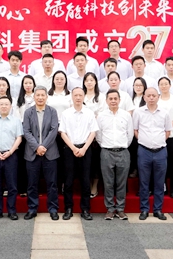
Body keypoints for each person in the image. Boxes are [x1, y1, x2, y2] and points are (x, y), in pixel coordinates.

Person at [58, 88, 99, 221]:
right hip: (69, 149)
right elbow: (62, 132)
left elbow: (93, 132)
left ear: (84, 96)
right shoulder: (66, 113)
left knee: (85, 180)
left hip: (85, 149)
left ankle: (85, 209)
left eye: (80, 95)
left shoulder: (89, 113)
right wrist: (73, 148)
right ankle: (68, 208)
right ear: (72, 96)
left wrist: (84, 148)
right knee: (68, 181)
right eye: (75, 95)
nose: (78, 97)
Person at [133, 87, 172, 221]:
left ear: (158, 97)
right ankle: (144, 209)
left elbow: (167, 131)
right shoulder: (138, 112)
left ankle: (157, 209)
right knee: (144, 182)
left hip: (160, 151)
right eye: (148, 95)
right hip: (144, 151)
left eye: (153, 95)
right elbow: (135, 130)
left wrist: (158, 141)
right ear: (144, 97)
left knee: (159, 182)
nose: (151, 98)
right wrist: (144, 141)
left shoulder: (164, 113)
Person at [22, 86, 60, 220]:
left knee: (52, 183)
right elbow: (26, 131)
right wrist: (37, 147)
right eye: (37, 95)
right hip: (32, 153)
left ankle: (53, 209)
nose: (40, 97)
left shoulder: (52, 111)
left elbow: (54, 130)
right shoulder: (28, 112)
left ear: (46, 97)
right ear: (34, 97)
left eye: (42, 95)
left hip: (50, 153)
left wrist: (43, 146)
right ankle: (32, 209)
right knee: (32, 183)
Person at [96, 89, 134, 220]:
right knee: (108, 182)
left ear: (119, 100)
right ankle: (110, 209)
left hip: (123, 152)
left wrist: (122, 145)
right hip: (107, 152)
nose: (113, 101)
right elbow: (98, 135)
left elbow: (130, 135)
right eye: (110, 99)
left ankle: (120, 209)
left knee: (121, 182)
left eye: (115, 99)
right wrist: (106, 146)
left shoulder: (126, 115)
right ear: (106, 101)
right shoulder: (101, 116)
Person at [0, 95, 23, 220]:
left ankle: (12, 211)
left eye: (6, 104)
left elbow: (19, 138)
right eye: (1, 104)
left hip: (11, 155)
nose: (4, 106)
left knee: (12, 185)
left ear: (11, 106)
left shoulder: (16, 121)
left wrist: (10, 152)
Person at [157, 77, 173, 198]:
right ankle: (162, 187)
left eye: (166, 84)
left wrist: (167, 128)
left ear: (170, 85)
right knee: (160, 163)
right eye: (161, 84)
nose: (164, 86)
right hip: (159, 135)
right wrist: (161, 129)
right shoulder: (156, 99)